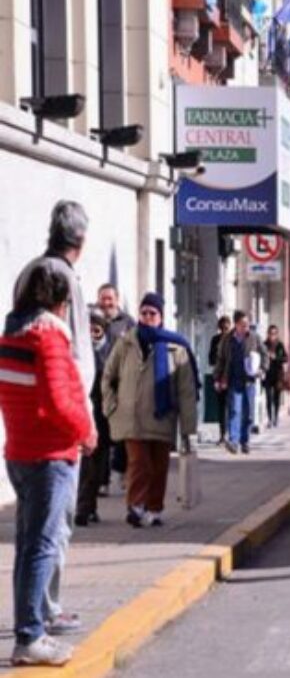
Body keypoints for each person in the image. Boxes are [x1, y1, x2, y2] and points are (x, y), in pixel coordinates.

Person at [0, 265, 95, 667]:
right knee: (42, 546)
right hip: (50, 456)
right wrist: (85, 431)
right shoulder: (49, 338)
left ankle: (29, 628)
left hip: (20, 450)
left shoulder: (10, 337)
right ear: (58, 302)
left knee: (28, 548)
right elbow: (58, 400)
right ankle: (31, 636)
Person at [11, 200, 91, 641]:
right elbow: (74, 360)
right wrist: (86, 423)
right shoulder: (63, 284)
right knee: (51, 530)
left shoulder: (28, 273)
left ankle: (34, 612)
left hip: (23, 426)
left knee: (32, 535)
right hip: (53, 434)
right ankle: (41, 614)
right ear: (80, 239)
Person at [102, 293, 198, 528]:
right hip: (132, 418)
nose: (147, 317)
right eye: (143, 313)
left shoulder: (177, 347)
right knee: (139, 463)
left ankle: (154, 509)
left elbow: (186, 390)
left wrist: (188, 428)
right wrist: (111, 406)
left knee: (159, 466)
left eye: (152, 313)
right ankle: (135, 506)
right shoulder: (125, 343)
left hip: (162, 417)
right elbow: (108, 377)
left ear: (161, 317)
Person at [95, 284, 135, 494]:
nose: (106, 303)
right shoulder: (92, 320)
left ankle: (120, 471)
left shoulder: (127, 323)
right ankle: (102, 481)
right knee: (100, 434)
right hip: (97, 386)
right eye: (103, 298)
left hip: (121, 385)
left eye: (110, 299)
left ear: (117, 300)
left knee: (121, 432)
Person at [74, 310, 111, 527]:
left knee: (97, 466)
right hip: (83, 415)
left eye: (96, 330)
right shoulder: (78, 351)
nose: (92, 335)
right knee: (85, 465)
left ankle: (90, 505)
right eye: (88, 330)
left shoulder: (111, 351)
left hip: (103, 416)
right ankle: (83, 508)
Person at [214, 310, 263, 454]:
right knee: (235, 410)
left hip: (249, 381)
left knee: (248, 414)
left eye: (247, 324)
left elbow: (264, 354)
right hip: (234, 380)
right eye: (243, 324)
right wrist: (217, 378)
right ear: (236, 325)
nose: (246, 327)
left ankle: (245, 440)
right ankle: (234, 441)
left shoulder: (254, 338)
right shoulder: (227, 340)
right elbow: (220, 360)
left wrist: (262, 369)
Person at [207, 316, 232, 444]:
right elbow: (210, 358)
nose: (224, 331)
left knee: (232, 406)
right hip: (218, 376)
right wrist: (218, 357)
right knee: (221, 407)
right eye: (222, 328)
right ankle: (223, 435)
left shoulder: (233, 340)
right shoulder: (215, 340)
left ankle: (232, 434)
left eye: (226, 328)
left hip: (231, 377)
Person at [262, 325, 288, 429]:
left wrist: (276, 357)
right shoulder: (264, 345)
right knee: (268, 397)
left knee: (276, 397)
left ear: (277, 335)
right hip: (267, 374)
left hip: (278, 375)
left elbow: (285, 358)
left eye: (274, 333)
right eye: (270, 333)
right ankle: (269, 418)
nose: (272, 336)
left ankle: (276, 417)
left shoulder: (280, 345)